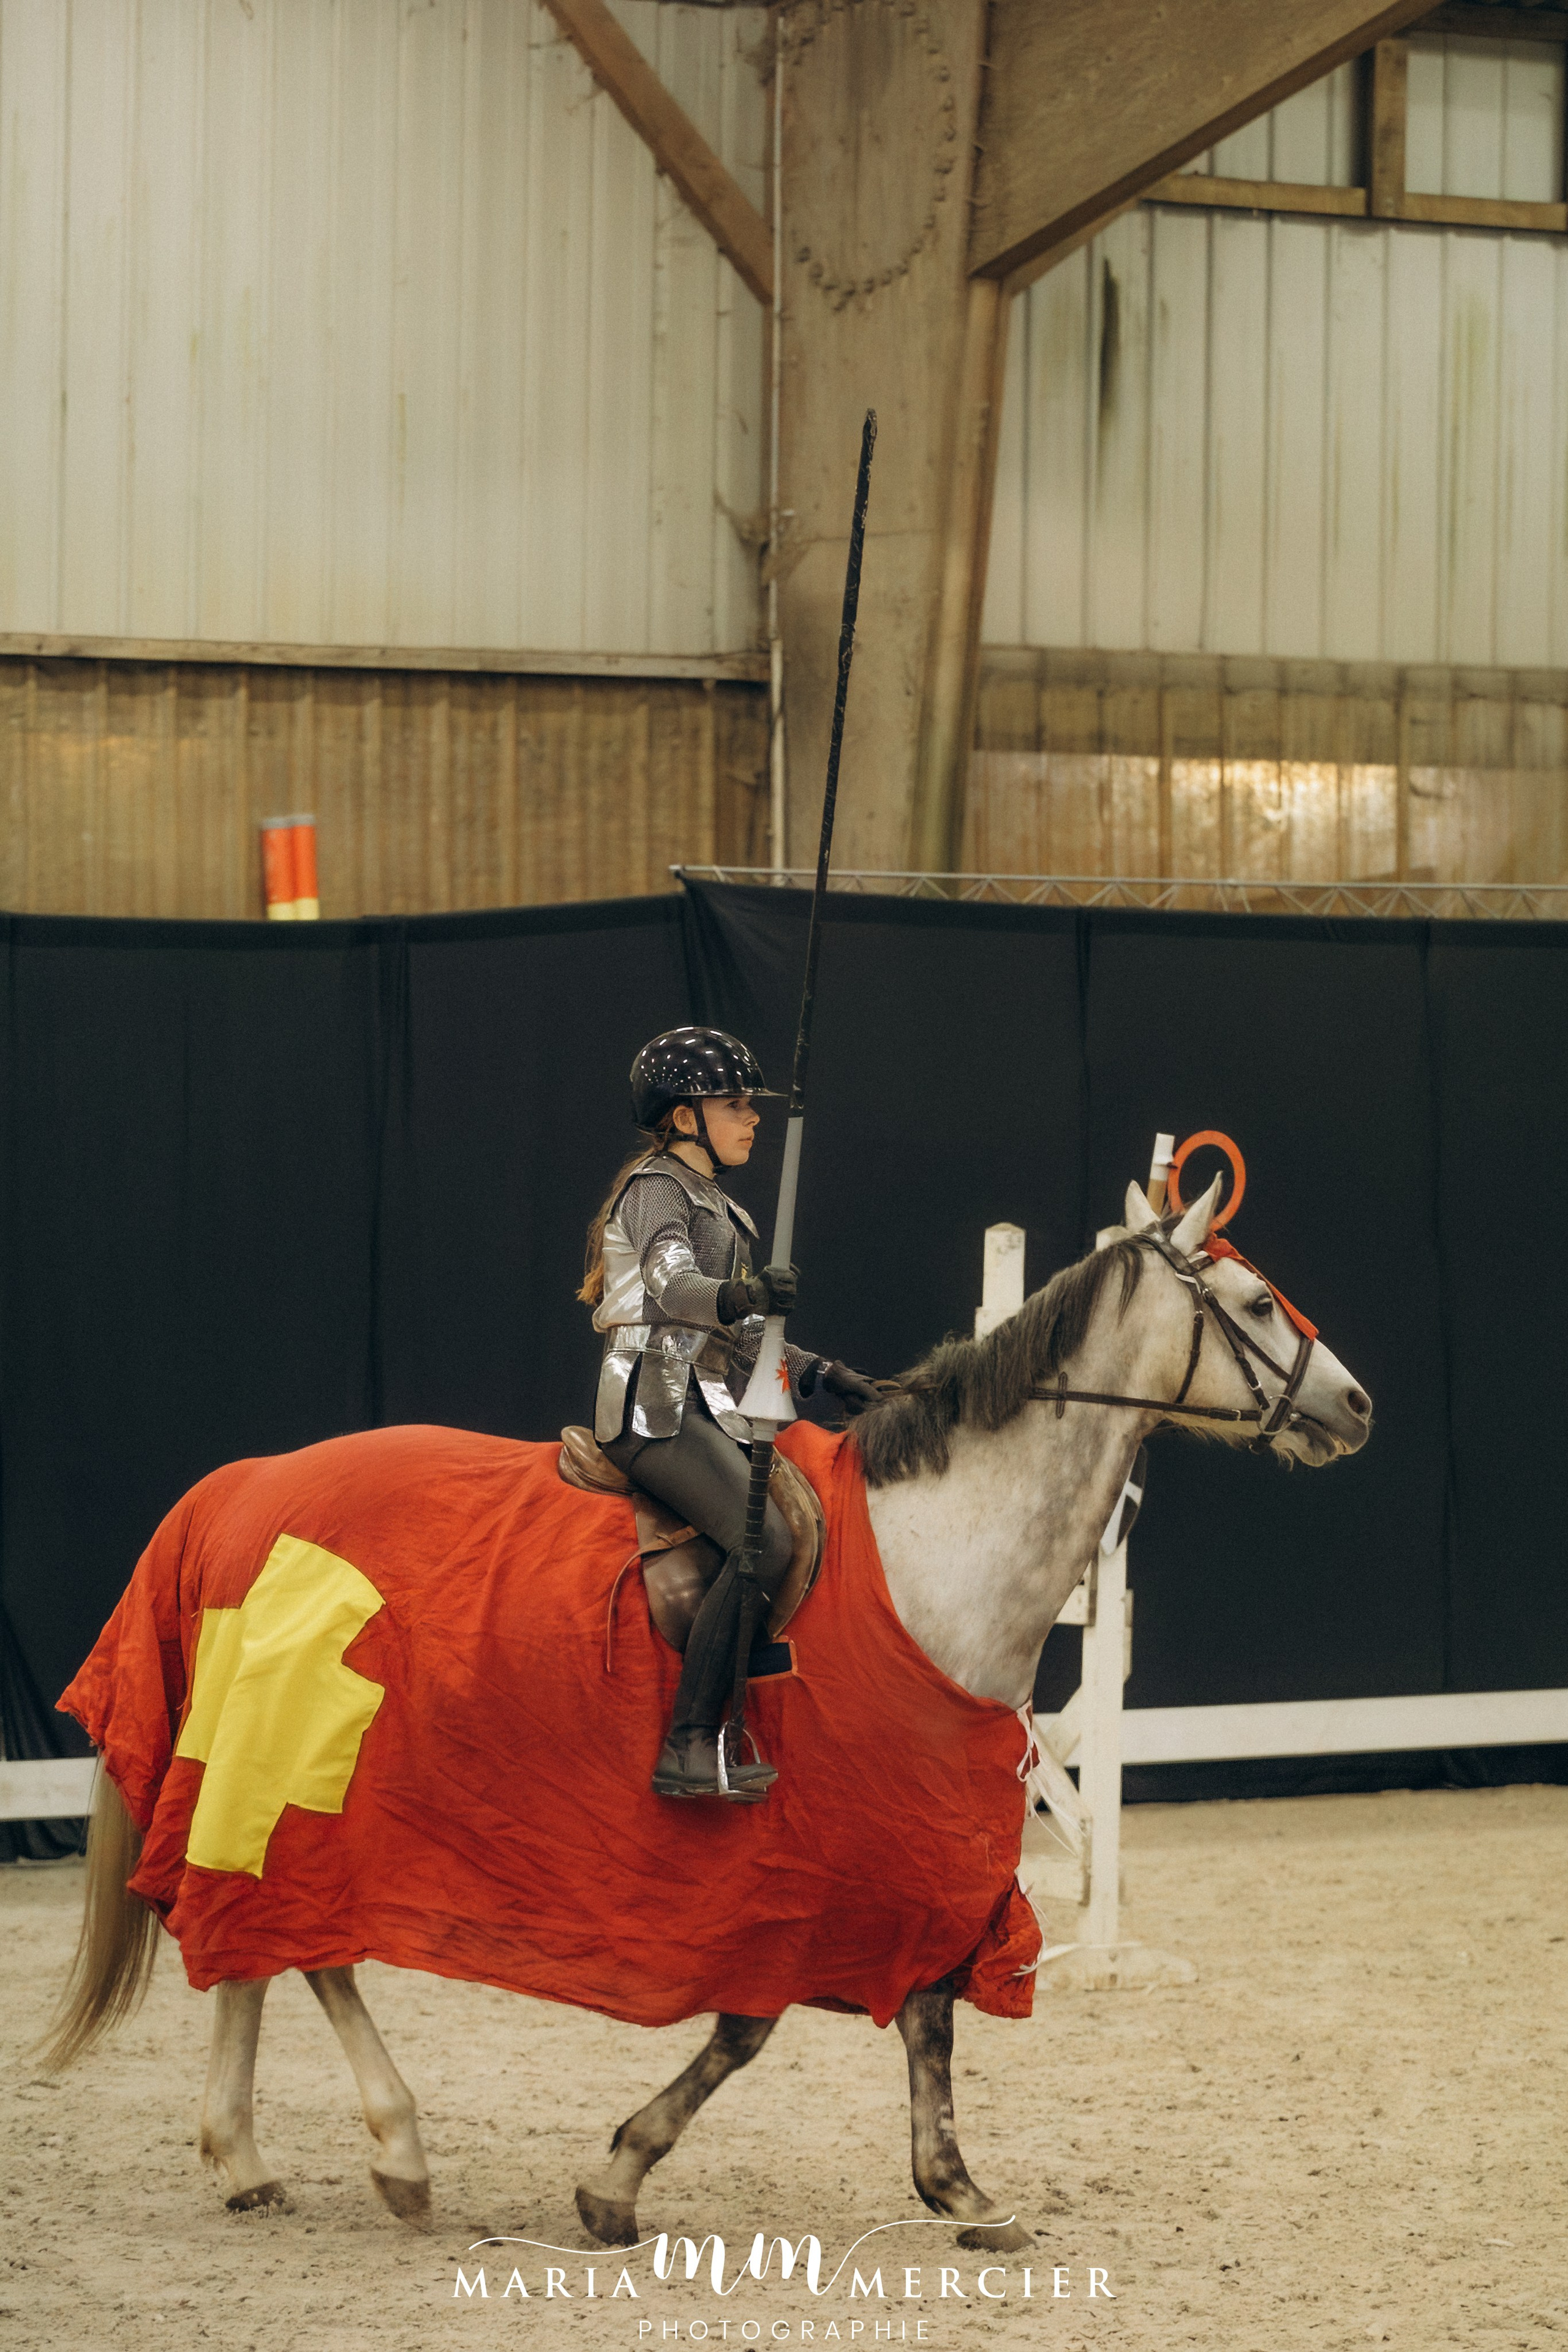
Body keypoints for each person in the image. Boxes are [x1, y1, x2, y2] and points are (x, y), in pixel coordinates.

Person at [581, 1026, 878, 1803]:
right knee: (767, 1544)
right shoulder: (656, 1189)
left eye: (751, 1104)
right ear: (684, 1118)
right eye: (734, 1104)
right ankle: (688, 1742)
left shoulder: (727, 1211)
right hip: (652, 1407)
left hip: (711, 1402)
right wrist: (745, 1294)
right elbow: (676, 1289)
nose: (752, 1117)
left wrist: (824, 1373)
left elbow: (744, 1336)